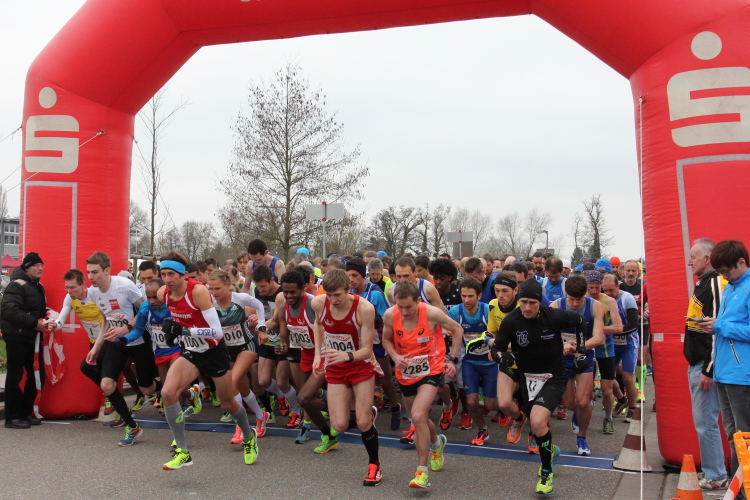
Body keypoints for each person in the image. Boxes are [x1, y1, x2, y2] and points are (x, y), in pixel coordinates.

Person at [156, 250, 258, 469]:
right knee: (168, 392)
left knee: (228, 403)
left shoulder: (198, 291)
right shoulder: (163, 293)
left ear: (183, 274)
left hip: (213, 351)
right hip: (191, 351)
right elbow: (181, 319)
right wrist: (171, 330)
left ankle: (249, 437)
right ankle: (183, 452)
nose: (167, 279)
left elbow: (217, 332)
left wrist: (183, 331)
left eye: (171, 274)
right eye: (163, 274)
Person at [492, 279, 587, 495]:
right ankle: (550, 450)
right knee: (536, 427)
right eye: (523, 302)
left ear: (539, 303)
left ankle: (546, 473)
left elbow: (581, 321)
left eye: (532, 303)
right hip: (528, 378)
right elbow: (497, 349)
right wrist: (502, 358)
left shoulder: (552, 315)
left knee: (537, 421)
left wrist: (581, 351)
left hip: (554, 376)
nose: (527, 307)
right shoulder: (511, 321)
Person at [382, 280, 463, 489]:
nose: (404, 311)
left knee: (418, 416)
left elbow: (457, 329)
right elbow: (386, 340)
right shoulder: (390, 315)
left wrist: (453, 360)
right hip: (406, 373)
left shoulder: (431, 313)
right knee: (418, 419)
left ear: (418, 300)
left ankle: (422, 472)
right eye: (400, 306)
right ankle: (436, 443)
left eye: (409, 306)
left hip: (431, 369)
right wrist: (395, 357)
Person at [312, 269, 381, 486]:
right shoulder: (318, 303)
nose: (333, 300)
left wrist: (347, 355)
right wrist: (317, 354)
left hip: (360, 366)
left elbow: (367, 349)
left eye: (337, 295)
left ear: (349, 289)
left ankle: (374, 465)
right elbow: (319, 324)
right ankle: (367, 411)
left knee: (363, 422)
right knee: (340, 425)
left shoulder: (364, 308)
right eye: (329, 295)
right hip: (335, 367)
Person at [85, 251, 157, 445]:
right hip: (116, 341)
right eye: (88, 272)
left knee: (147, 388)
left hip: (138, 338)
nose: (90, 277)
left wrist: (127, 328)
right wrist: (96, 346)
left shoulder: (124, 286)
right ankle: (132, 426)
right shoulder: (93, 291)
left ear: (107, 270)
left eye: (94, 272)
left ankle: (172, 390)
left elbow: (145, 309)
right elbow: (106, 319)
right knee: (106, 385)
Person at [698, 240, 750, 493]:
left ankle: (743, 490)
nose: (724, 276)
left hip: (742, 374)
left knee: (744, 435)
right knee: (733, 434)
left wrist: (719, 326)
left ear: (742, 262)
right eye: (720, 272)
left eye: (727, 271)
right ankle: (737, 490)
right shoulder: (732, 287)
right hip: (726, 371)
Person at [682, 238, 728, 490]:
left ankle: (716, 474)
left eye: (693, 257)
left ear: (707, 258)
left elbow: (716, 330)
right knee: (704, 421)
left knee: (706, 422)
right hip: (698, 364)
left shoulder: (715, 284)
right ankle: (714, 471)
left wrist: (709, 369)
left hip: (705, 366)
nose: (690, 262)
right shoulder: (704, 283)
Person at [206, 269, 270, 444]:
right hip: (226, 350)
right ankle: (261, 416)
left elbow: (259, 305)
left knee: (231, 383)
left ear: (227, 285)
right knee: (242, 389)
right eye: (211, 289)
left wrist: (261, 328)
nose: (214, 292)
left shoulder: (239, 298)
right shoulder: (209, 302)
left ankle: (240, 427)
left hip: (246, 346)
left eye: (217, 288)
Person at [551, 273, 604, 456]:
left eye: (579, 299)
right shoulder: (555, 306)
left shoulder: (595, 306)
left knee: (582, 401)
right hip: (563, 358)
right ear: (565, 294)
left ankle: (582, 438)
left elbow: (598, 337)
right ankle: (578, 414)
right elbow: (548, 335)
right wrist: (562, 346)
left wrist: (578, 347)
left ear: (585, 295)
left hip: (584, 355)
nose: (574, 304)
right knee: (569, 402)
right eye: (571, 299)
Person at [346, 258, 401, 431]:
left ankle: (395, 407)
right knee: (357, 377)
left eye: (355, 275)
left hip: (376, 341)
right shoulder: (346, 292)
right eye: (349, 276)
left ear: (363, 275)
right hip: (356, 341)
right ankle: (359, 414)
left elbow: (386, 317)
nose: (351, 279)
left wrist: (376, 318)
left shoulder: (374, 292)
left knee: (385, 378)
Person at [447, 277, 497, 446]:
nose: (466, 300)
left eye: (470, 296)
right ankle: (483, 429)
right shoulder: (455, 312)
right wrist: (453, 359)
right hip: (470, 361)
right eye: (463, 296)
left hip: (490, 362)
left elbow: (498, 334)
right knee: (471, 401)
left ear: (479, 296)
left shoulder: (488, 310)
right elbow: (450, 334)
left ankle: (511, 404)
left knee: (491, 404)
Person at [1, 252, 48, 429]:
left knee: (37, 375)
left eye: (41, 265)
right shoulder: (16, 285)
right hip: (16, 336)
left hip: (31, 337)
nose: (40, 268)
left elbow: (38, 310)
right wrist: (35, 323)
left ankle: (25, 412)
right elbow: (10, 311)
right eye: (36, 265)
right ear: (27, 267)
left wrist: (49, 316)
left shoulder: (37, 286)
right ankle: (12, 417)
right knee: (15, 376)